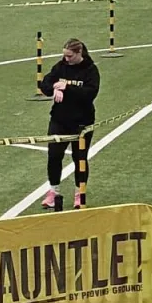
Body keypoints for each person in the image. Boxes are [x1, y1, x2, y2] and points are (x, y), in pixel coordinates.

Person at [39, 37, 99, 210]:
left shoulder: (90, 70)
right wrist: (55, 88)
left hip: (82, 122)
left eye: (70, 56)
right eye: (65, 55)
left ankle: (79, 194)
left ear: (79, 53)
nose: (66, 59)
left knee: (79, 158)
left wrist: (67, 88)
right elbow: (45, 84)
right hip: (59, 120)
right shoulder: (60, 67)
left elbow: (90, 93)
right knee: (54, 156)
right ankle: (53, 191)